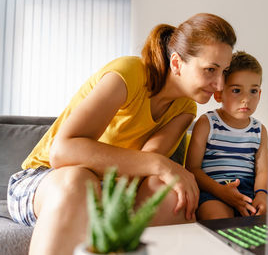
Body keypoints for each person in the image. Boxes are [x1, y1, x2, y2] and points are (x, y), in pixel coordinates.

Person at [7, 13, 236, 255]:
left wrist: (165, 170)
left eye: (224, 71)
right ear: (177, 63)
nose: (219, 85)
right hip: (47, 181)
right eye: (210, 69)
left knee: (168, 191)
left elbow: (146, 164)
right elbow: (63, 152)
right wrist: (160, 164)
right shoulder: (129, 73)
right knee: (79, 181)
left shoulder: (186, 108)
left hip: (113, 192)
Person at [186, 51, 268, 220]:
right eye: (237, 90)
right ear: (218, 94)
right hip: (214, 190)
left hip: (247, 192)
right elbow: (192, 168)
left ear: (259, 94)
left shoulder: (259, 130)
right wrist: (220, 191)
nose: (246, 99)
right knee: (218, 219)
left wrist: (261, 194)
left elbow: (262, 171)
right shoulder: (207, 123)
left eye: (253, 91)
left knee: (264, 223)